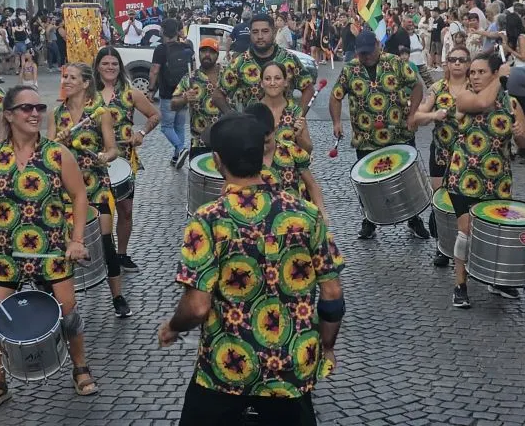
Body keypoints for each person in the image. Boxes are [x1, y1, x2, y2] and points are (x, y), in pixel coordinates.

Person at [158, 113, 344, 426]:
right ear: (262, 155)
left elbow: (197, 306)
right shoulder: (306, 215)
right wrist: (325, 347)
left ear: (217, 161)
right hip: (291, 364)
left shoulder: (208, 219)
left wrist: (174, 327)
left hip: (227, 365)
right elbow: (332, 295)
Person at [0, 85, 97, 410]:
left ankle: (80, 368)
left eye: (39, 107)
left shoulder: (57, 154)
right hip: (3, 252)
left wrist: (77, 240)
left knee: (68, 314)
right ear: (9, 115)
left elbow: (79, 196)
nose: (35, 113)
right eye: (26, 108)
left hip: (52, 249)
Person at [446, 53, 525, 307]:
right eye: (473, 72)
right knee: (466, 232)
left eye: (481, 72)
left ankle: (497, 280)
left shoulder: (511, 104)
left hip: (497, 179)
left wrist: (521, 134)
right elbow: (483, 103)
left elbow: (524, 144)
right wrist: (501, 78)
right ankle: (460, 285)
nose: (474, 76)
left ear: (493, 73)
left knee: (497, 233)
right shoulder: (464, 96)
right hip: (464, 178)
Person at [49, 62, 132, 317]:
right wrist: (56, 143)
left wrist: (104, 158)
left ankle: (117, 296)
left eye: (72, 77)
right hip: (66, 189)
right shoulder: (56, 113)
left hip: (95, 184)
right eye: (65, 77)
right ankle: (61, 299)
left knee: (105, 241)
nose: (67, 81)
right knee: (63, 241)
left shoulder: (99, 112)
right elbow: (48, 152)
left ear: (86, 83)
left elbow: (112, 149)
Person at [329, 29, 429, 240]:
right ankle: (369, 220)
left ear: (378, 46)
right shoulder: (350, 69)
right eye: (361, 53)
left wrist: (412, 115)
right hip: (366, 138)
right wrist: (337, 122)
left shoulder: (395, 63)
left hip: (399, 134)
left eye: (369, 52)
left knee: (406, 181)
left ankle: (414, 219)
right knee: (367, 185)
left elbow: (417, 86)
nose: (365, 57)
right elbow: (336, 96)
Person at [95, 46, 160, 274]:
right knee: (98, 210)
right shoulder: (87, 93)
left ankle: (121, 254)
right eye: (105, 64)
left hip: (123, 159)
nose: (110, 68)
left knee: (125, 210)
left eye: (114, 64)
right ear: (97, 67)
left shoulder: (130, 93)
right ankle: (101, 253)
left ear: (120, 67)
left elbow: (155, 115)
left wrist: (140, 134)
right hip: (94, 161)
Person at [413, 45, 471, 267]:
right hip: (441, 152)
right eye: (453, 59)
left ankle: (463, 245)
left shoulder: (475, 88)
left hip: (469, 156)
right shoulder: (437, 88)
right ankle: (443, 248)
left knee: (463, 202)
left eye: (462, 60)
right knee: (441, 201)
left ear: (468, 63)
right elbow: (418, 116)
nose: (457, 63)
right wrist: (432, 115)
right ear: (446, 63)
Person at [215, 13, 315, 113]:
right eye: (255, 32)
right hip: (252, 125)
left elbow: (308, 88)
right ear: (250, 34)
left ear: (274, 32)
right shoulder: (239, 63)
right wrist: (232, 116)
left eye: (265, 31)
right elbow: (218, 94)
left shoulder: (289, 59)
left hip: (285, 125)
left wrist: (299, 114)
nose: (260, 36)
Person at [245, 102, 327, 218]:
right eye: (258, 142)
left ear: (275, 127)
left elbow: (312, 185)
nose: (263, 147)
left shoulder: (291, 150)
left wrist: (322, 211)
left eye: (267, 141)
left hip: (296, 219)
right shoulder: (243, 156)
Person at [148, 18, 193, 167]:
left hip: (167, 93)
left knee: (166, 127)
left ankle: (180, 149)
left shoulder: (161, 49)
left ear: (162, 31)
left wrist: (150, 90)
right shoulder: (186, 47)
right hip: (183, 93)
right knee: (179, 127)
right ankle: (176, 157)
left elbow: (154, 71)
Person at [171, 38, 222, 160]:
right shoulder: (190, 78)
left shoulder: (227, 75)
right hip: (199, 142)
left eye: (212, 52)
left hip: (225, 141)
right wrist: (185, 98)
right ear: (198, 54)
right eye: (203, 51)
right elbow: (173, 104)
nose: (207, 55)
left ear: (217, 55)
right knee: (198, 177)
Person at [258, 61, 312, 153]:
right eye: (267, 79)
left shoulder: (296, 112)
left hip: (289, 166)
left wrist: (299, 136)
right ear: (261, 83)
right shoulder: (252, 112)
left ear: (285, 82)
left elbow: (308, 150)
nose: (272, 83)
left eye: (277, 78)